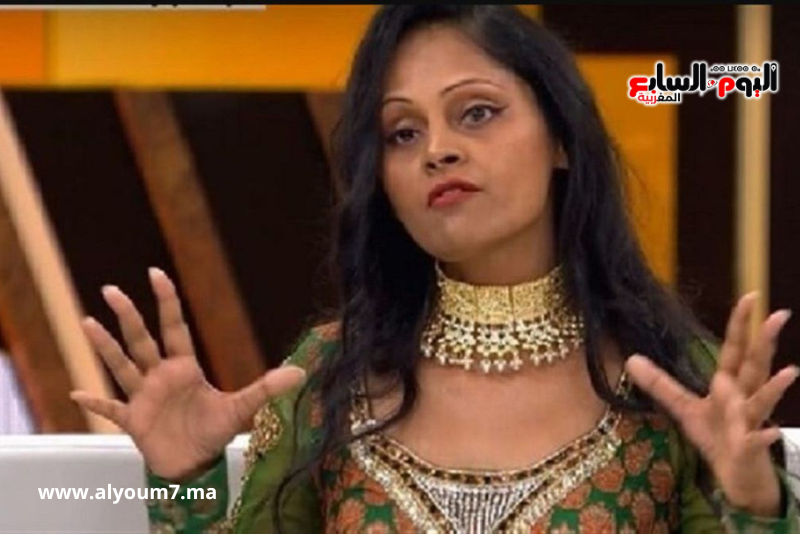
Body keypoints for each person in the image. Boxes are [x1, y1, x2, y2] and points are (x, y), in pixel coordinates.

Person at [70, 6, 799, 533]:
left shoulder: (672, 378)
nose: (437, 150)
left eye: (476, 112)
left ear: (560, 138)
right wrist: (184, 481)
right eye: (402, 132)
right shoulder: (329, 377)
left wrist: (755, 503)